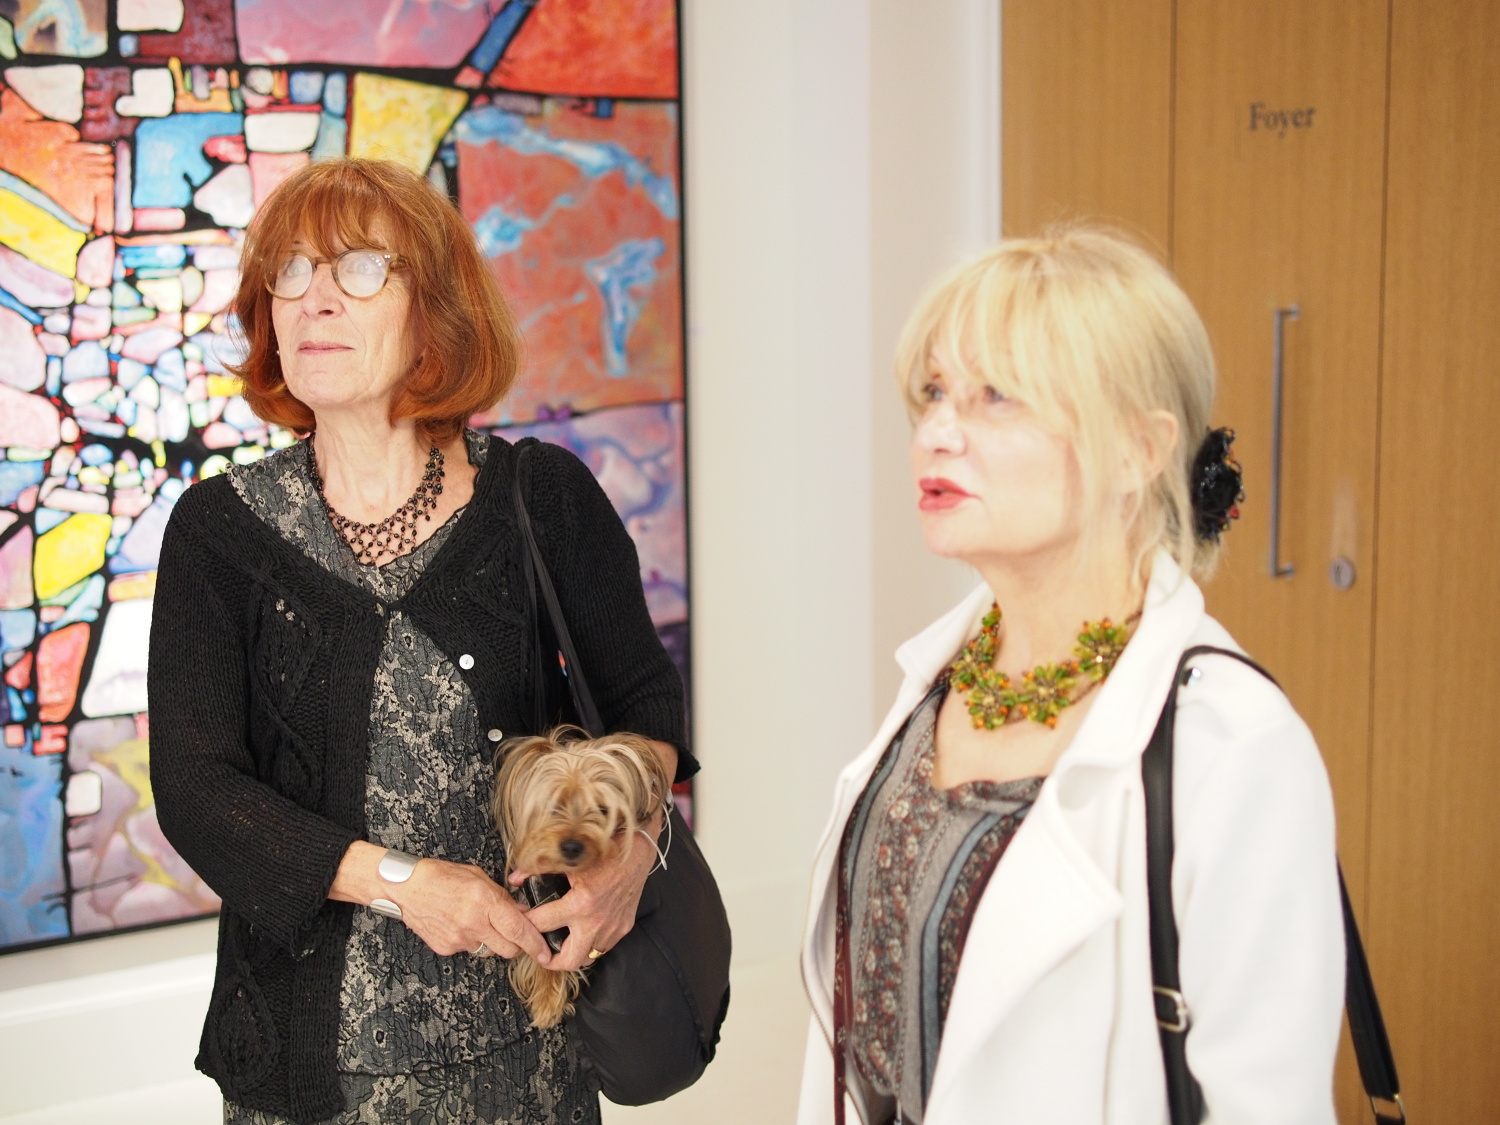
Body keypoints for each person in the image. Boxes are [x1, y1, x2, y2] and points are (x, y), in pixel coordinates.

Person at [147, 157, 695, 1125]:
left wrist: (631, 853)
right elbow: (197, 790)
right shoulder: (219, 530)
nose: (314, 299)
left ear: (434, 312)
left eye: (360, 269)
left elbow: (646, 708)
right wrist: (405, 885)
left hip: (527, 1050)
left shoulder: (540, 497)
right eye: (291, 271)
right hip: (306, 1075)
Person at [797, 226, 1344, 1124]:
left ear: (1138, 450)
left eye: (995, 396)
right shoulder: (935, 683)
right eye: (933, 392)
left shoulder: (1233, 744)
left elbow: (1267, 1103)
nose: (935, 433)